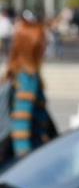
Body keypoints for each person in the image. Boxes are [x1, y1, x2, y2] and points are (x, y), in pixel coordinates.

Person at [2, 19, 56, 163]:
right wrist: (26, 163)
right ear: (33, 46)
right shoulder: (28, 78)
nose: (46, 46)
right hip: (32, 154)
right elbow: (21, 125)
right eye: (43, 42)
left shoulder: (14, 73)